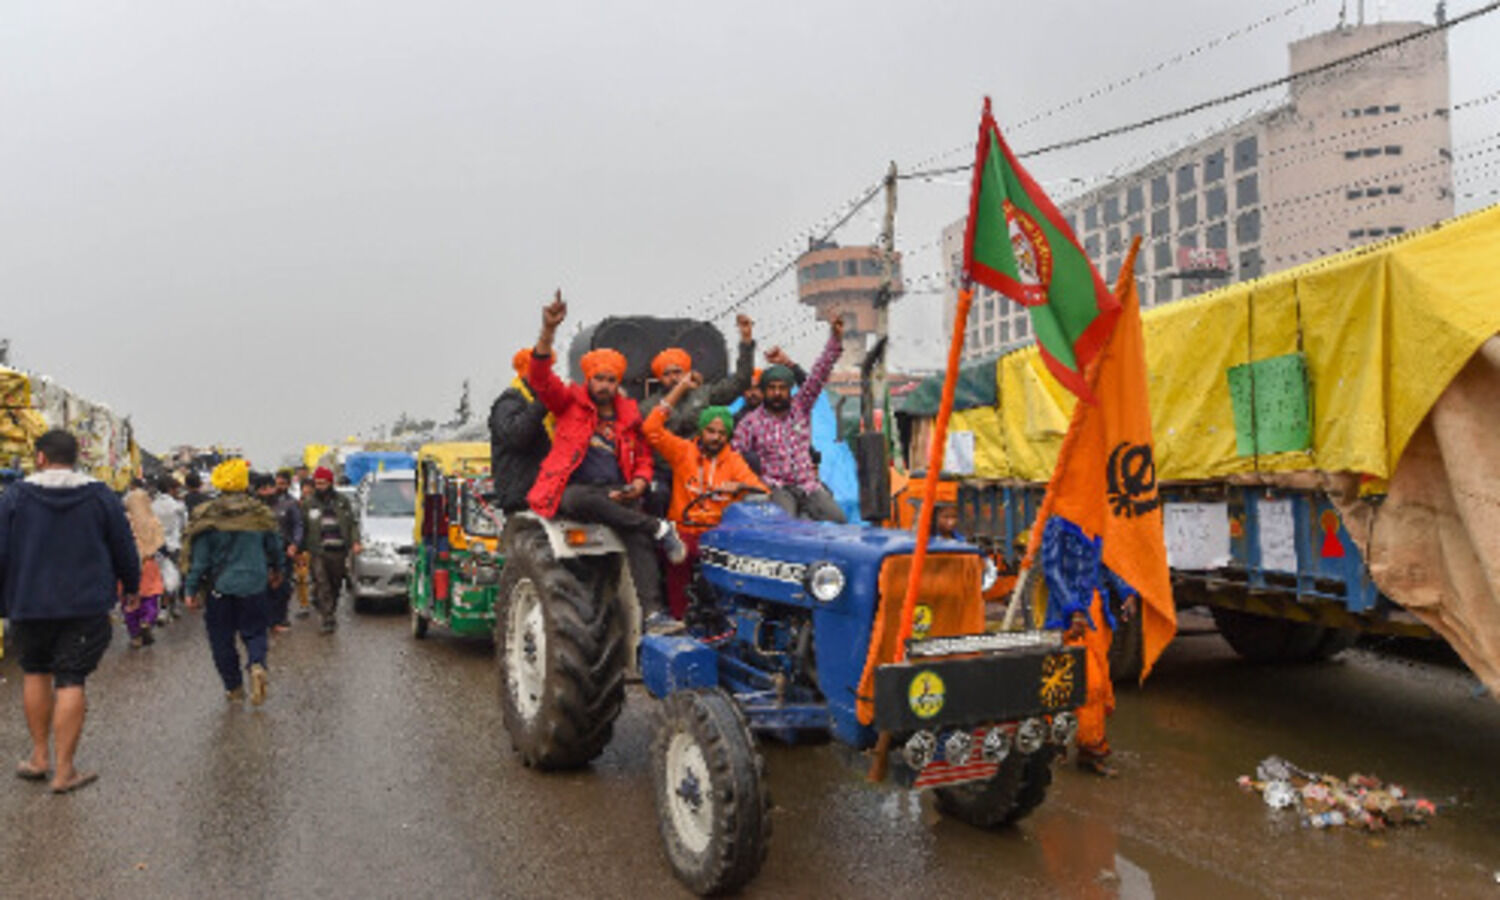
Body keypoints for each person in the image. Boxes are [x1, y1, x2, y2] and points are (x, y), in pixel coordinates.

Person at [527, 291, 686, 635]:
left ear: (618, 383)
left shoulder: (629, 415)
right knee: (584, 501)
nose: (604, 385)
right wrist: (547, 331)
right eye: (599, 378)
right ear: (589, 380)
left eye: (611, 379)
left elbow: (643, 457)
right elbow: (539, 377)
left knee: (636, 535)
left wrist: (641, 483)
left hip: (618, 491)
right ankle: (658, 528)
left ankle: (654, 614)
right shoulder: (569, 401)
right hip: (576, 490)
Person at [0, 429, 139, 793]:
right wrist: (133, 585)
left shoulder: (15, 496)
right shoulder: (100, 496)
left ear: (41, 457)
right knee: (71, 679)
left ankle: (38, 757)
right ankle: (64, 772)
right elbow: (123, 545)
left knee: (34, 671)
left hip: (29, 602)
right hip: (84, 604)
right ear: (76, 456)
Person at [643, 373, 767, 618]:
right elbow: (651, 429)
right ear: (702, 430)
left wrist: (738, 488)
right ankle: (680, 618)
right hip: (684, 528)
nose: (716, 438)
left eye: (722, 433)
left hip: (718, 531)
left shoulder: (733, 460)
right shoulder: (683, 451)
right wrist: (678, 390)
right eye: (711, 431)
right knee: (680, 555)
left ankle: (727, 619)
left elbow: (762, 491)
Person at [183, 459, 283, 705]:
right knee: (255, 631)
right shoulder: (260, 514)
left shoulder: (208, 515)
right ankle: (257, 663)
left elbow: (200, 560)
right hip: (254, 585)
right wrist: (278, 570)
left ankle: (234, 687)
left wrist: (191, 589)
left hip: (221, 588)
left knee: (221, 639)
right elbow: (275, 548)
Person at [732, 317, 847, 522]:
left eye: (782, 388)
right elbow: (734, 456)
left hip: (808, 485)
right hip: (777, 487)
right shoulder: (750, 422)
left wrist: (835, 340)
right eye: (772, 388)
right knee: (786, 527)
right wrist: (752, 483)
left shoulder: (800, 407)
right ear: (764, 391)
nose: (777, 393)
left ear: (789, 390)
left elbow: (819, 375)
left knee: (838, 520)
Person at [641, 314, 756, 439]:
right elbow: (672, 426)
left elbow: (740, 383)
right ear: (659, 378)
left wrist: (746, 342)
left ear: (687, 373)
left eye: (677, 372)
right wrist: (679, 389)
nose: (673, 378)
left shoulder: (703, 393)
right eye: (666, 374)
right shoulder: (650, 405)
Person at [488, 347, 554, 513]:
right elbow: (516, 436)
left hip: (545, 492)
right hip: (521, 497)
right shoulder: (509, 402)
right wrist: (541, 403)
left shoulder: (546, 404)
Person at [295, 466, 359, 634]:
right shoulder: (309, 503)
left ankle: (327, 607)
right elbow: (302, 526)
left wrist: (355, 541)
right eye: (317, 483)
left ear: (330, 483)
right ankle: (327, 618)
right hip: (318, 550)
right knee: (322, 582)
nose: (320, 486)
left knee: (335, 584)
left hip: (339, 550)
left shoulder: (342, 501)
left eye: (323, 483)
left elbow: (352, 523)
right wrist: (299, 547)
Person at [254, 471, 302, 633]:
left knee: (282, 587)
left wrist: (295, 544)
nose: (267, 492)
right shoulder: (252, 508)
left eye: (270, 488)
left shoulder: (289, 504)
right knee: (260, 588)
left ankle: (279, 619)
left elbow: (298, 525)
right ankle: (263, 619)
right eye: (262, 489)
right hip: (257, 555)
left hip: (283, 553)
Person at [121, 487, 166, 648]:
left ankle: (135, 636)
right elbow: (161, 544)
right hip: (149, 564)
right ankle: (147, 620)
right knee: (151, 598)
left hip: (127, 566)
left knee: (130, 601)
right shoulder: (153, 521)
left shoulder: (124, 521)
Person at [151, 475, 189, 623]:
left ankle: (167, 607)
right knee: (174, 577)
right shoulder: (178, 506)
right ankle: (169, 607)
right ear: (170, 489)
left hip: (157, 546)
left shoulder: (152, 505)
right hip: (175, 546)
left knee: (162, 578)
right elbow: (184, 526)